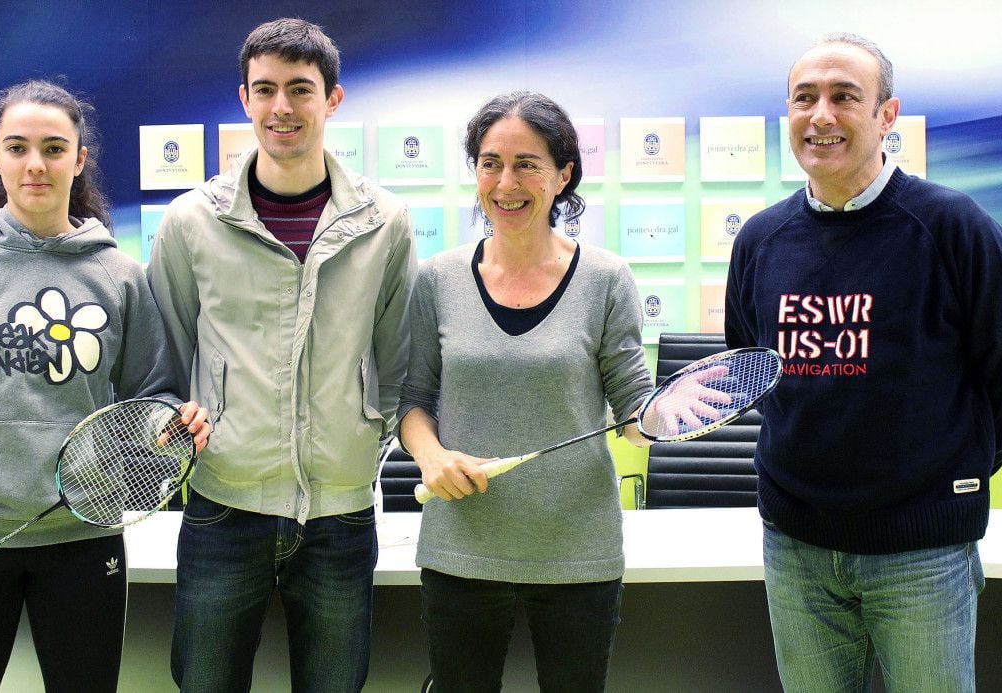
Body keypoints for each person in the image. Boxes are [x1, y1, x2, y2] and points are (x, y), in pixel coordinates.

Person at [725, 33, 1002, 691]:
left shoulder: (954, 225)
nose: (821, 116)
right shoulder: (760, 239)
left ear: (886, 116)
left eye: (845, 97)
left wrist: (946, 477)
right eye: (804, 97)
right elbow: (750, 364)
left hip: (921, 555)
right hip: (796, 547)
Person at [0, 79, 211, 693]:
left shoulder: (121, 276)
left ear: (79, 160)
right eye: (18, 147)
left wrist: (169, 426)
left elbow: (155, 393)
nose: (36, 164)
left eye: (54, 148)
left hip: (82, 537)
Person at [146, 18, 416, 692]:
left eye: (300, 89)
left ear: (333, 100)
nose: (281, 108)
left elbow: (398, 359)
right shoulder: (190, 222)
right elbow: (163, 364)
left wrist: (354, 442)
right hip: (221, 505)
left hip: (339, 512)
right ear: (243, 98)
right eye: (265, 89)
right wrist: (174, 425)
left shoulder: (384, 221)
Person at [398, 91, 659, 693]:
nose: (505, 182)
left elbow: (632, 407)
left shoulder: (605, 279)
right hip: (460, 546)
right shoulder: (437, 278)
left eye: (527, 164)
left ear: (563, 175)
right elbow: (411, 400)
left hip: (577, 551)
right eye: (490, 163)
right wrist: (432, 458)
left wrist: (663, 418)